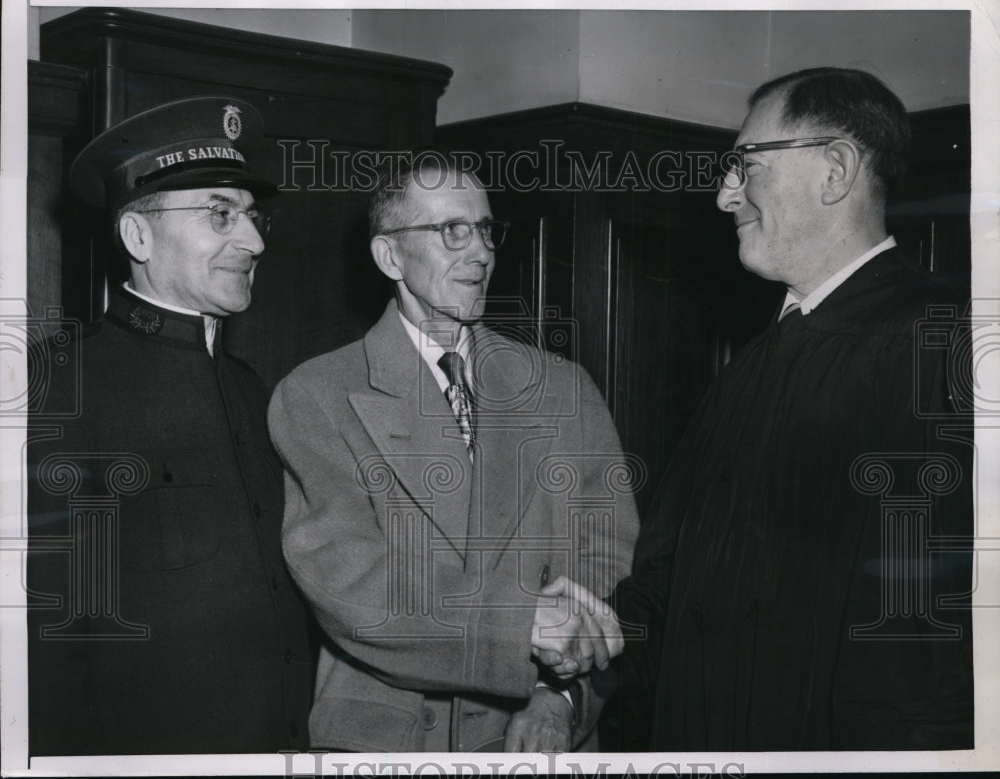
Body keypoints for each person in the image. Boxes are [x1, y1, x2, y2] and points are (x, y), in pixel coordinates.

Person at [611, 67, 973, 751]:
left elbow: (927, 650)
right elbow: (668, 571)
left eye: (745, 165)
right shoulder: (755, 361)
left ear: (834, 170)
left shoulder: (941, 347)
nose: (725, 197)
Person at [268, 153, 639, 752]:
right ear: (390, 255)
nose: (481, 253)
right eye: (451, 231)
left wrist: (560, 697)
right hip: (391, 744)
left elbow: (610, 564)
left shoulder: (564, 389)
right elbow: (353, 589)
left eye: (486, 230)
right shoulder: (317, 396)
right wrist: (517, 626)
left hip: (538, 736)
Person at [27, 97, 315, 755]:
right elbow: (48, 646)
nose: (255, 241)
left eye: (251, 215)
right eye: (220, 213)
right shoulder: (61, 387)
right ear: (138, 236)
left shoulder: (252, 389)